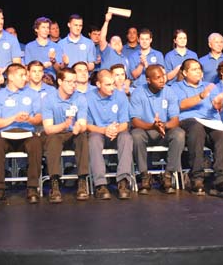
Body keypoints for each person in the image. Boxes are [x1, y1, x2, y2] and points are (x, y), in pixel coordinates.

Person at [173, 59, 223, 197]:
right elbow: (180, 105)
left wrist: (218, 103)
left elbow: (216, 107)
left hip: (211, 121)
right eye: (194, 69)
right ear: (184, 72)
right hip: (190, 120)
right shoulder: (176, 87)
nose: (198, 72)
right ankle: (197, 178)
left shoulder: (210, 86)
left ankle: (222, 180)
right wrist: (201, 96)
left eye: (199, 69)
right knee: (196, 129)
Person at [0, 63, 43, 204]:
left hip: (26, 132)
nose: (25, 78)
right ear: (11, 77)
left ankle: (32, 188)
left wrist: (29, 119)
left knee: (36, 143)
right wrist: (13, 118)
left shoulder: (32, 94)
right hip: (5, 133)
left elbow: (39, 119)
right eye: (22, 75)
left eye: (25, 75)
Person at [130, 65, 184, 195]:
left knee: (179, 134)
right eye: (158, 78)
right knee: (136, 135)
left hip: (164, 131)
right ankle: (144, 176)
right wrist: (152, 126)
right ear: (148, 80)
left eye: (163, 77)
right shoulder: (138, 92)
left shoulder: (169, 92)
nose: (162, 80)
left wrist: (163, 126)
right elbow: (135, 121)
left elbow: (175, 120)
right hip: (146, 130)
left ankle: (168, 175)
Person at [42, 68, 90, 203]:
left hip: (73, 133)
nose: (73, 85)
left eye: (74, 82)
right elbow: (48, 129)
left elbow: (83, 123)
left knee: (82, 137)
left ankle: (82, 181)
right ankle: (55, 183)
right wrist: (65, 124)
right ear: (60, 81)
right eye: (69, 82)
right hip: (56, 132)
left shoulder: (80, 98)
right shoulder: (49, 99)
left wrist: (78, 127)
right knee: (52, 140)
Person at [85, 70, 133, 200]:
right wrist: (104, 130)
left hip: (116, 132)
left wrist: (115, 130)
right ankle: (100, 184)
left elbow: (125, 123)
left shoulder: (120, 96)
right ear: (98, 84)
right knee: (93, 140)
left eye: (113, 84)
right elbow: (87, 125)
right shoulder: (88, 98)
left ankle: (123, 181)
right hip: (98, 132)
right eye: (108, 85)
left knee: (127, 137)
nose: (112, 87)